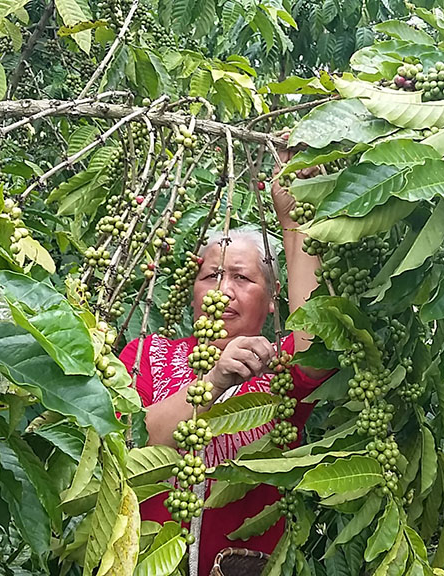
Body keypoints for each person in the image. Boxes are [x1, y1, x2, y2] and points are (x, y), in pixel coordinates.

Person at [118, 166, 330, 576]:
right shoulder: (148, 354)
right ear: (192, 290)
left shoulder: (281, 369)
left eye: (242, 277)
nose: (223, 290)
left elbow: (315, 339)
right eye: (211, 275)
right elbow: (136, 441)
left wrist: (294, 220)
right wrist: (213, 380)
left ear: (272, 300)